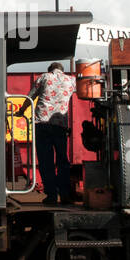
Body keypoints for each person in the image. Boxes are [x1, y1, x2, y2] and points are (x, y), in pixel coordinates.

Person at [23, 62, 76, 203]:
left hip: (42, 124)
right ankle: (64, 194)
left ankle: (51, 195)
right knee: (62, 160)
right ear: (61, 70)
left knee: (46, 161)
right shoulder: (71, 80)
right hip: (60, 125)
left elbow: (30, 96)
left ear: (50, 70)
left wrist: (21, 110)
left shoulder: (44, 77)